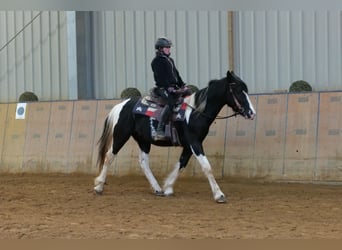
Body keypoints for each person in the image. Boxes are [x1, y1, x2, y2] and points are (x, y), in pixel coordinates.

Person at [151, 37, 186, 140]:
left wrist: (182, 85)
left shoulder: (170, 60)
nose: (169, 49)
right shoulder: (156, 61)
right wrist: (170, 88)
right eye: (167, 47)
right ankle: (159, 129)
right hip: (162, 88)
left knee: (188, 94)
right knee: (171, 102)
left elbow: (176, 74)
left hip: (173, 87)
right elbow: (160, 77)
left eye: (169, 47)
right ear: (160, 48)